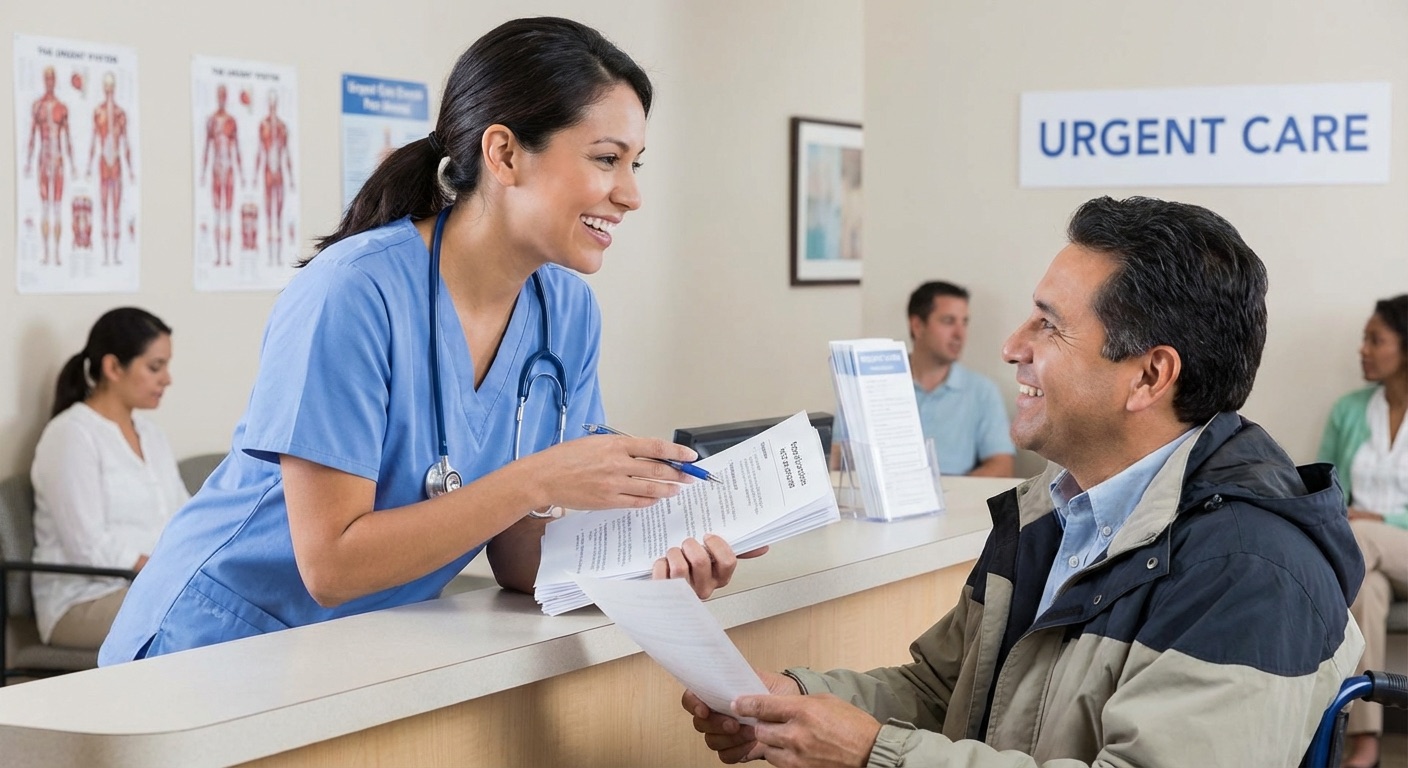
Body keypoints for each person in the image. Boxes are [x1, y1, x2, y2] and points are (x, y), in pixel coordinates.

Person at [100, 17, 757, 665]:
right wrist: (538, 479)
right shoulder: (353, 293)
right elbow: (331, 563)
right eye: (607, 159)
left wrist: (656, 552)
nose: (631, 194)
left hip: (353, 651)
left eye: (634, 163)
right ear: (503, 154)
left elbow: (520, 559)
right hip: (211, 647)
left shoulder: (567, 314)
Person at [683, 196, 1365, 767]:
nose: (1011, 347)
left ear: (1151, 376)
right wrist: (793, 700)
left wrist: (874, 754)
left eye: (1049, 325)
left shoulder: (1249, 569)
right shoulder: (1057, 505)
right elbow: (943, 691)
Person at [30, 308, 187, 650]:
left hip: (148, 587)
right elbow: (87, 544)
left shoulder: (151, 434)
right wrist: (160, 571)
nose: (167, 379)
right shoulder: (71, 435)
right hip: (82, 602)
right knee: (196, 618)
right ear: (113, 367)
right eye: (155, 367)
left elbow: (183, 515)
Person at [1319, 293, 1408, 768]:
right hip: (1368, 555)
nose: (1363, 349)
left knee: (1359, 539)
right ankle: (1366, 742)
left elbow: (1357, 519)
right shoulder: (1349, 410)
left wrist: (1378, 520)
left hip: (1381, 540)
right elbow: (1328, 491)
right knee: (1366, 589)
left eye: (1376, 340)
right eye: (1363, 339)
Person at [905, 281, 1014, 477]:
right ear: (917, 326)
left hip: (955, 500)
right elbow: (840, 457)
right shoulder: (875, 384)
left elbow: (1002, 465)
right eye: (948, 321)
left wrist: (952, 498)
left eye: (964, 322)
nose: (960, 334)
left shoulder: (982, 391)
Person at [24, 65, 76, 266]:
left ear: (55, 80)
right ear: (43, 80)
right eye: (47, 78)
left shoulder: (62, 108)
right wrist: (28, 162)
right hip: (43, 160)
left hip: (58, 160)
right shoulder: (37, 107)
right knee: (45, 207)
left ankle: (57, 254)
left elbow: (68, 138)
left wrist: (73, 164)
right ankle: (46, 253)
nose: (49, 82)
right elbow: (31, 136)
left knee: (57, 207)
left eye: (52, 78)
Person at [85, 71, 136, 267]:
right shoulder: (98, 113)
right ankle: (106, 255)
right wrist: (88, 166)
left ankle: (115, 254)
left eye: (111, 87)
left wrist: (131, 169)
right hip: (103, 163)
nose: (108, 91)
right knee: (104, 208)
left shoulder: (120, 114)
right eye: (106, 87)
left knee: (115, 209)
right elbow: (93, 139)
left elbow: (126, 143)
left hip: (116, 163)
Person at [200, 83, 243, 267]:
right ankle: (219, 257)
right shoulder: (211, 121)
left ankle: (227, 256)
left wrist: (242, 173)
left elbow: (237, 148)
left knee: (228, 214)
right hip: (217, 170)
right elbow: (207, 148)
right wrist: (202, 172)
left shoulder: (231, 121)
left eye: (224, 94)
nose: (222, 98)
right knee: (218, 214)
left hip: (229, 170)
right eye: (220, 94)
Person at [251, 88, 294, 265]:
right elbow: (260, 152)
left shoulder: (283, 127)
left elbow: (287, 153)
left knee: (279, 213)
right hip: (268, 172)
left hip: (279, 174)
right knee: (269, 214)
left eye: (274, 101)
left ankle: (279, 257)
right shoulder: (264, 125)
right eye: (270, 101)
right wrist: (254, 176)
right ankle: (270, 257)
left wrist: (291, 178)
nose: (272, 104)